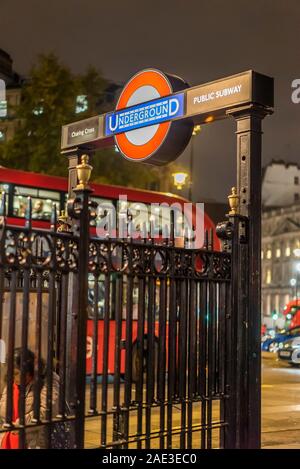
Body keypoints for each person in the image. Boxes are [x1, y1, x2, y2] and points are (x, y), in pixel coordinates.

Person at [0, 348, 60, 449]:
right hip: (8, 439)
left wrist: (20, 424)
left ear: (28, 370)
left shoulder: (48, 379)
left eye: (16, 373)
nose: (13, 377)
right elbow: (3, 410)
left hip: (35, 441)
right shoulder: (13, 383)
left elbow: (47, 411)